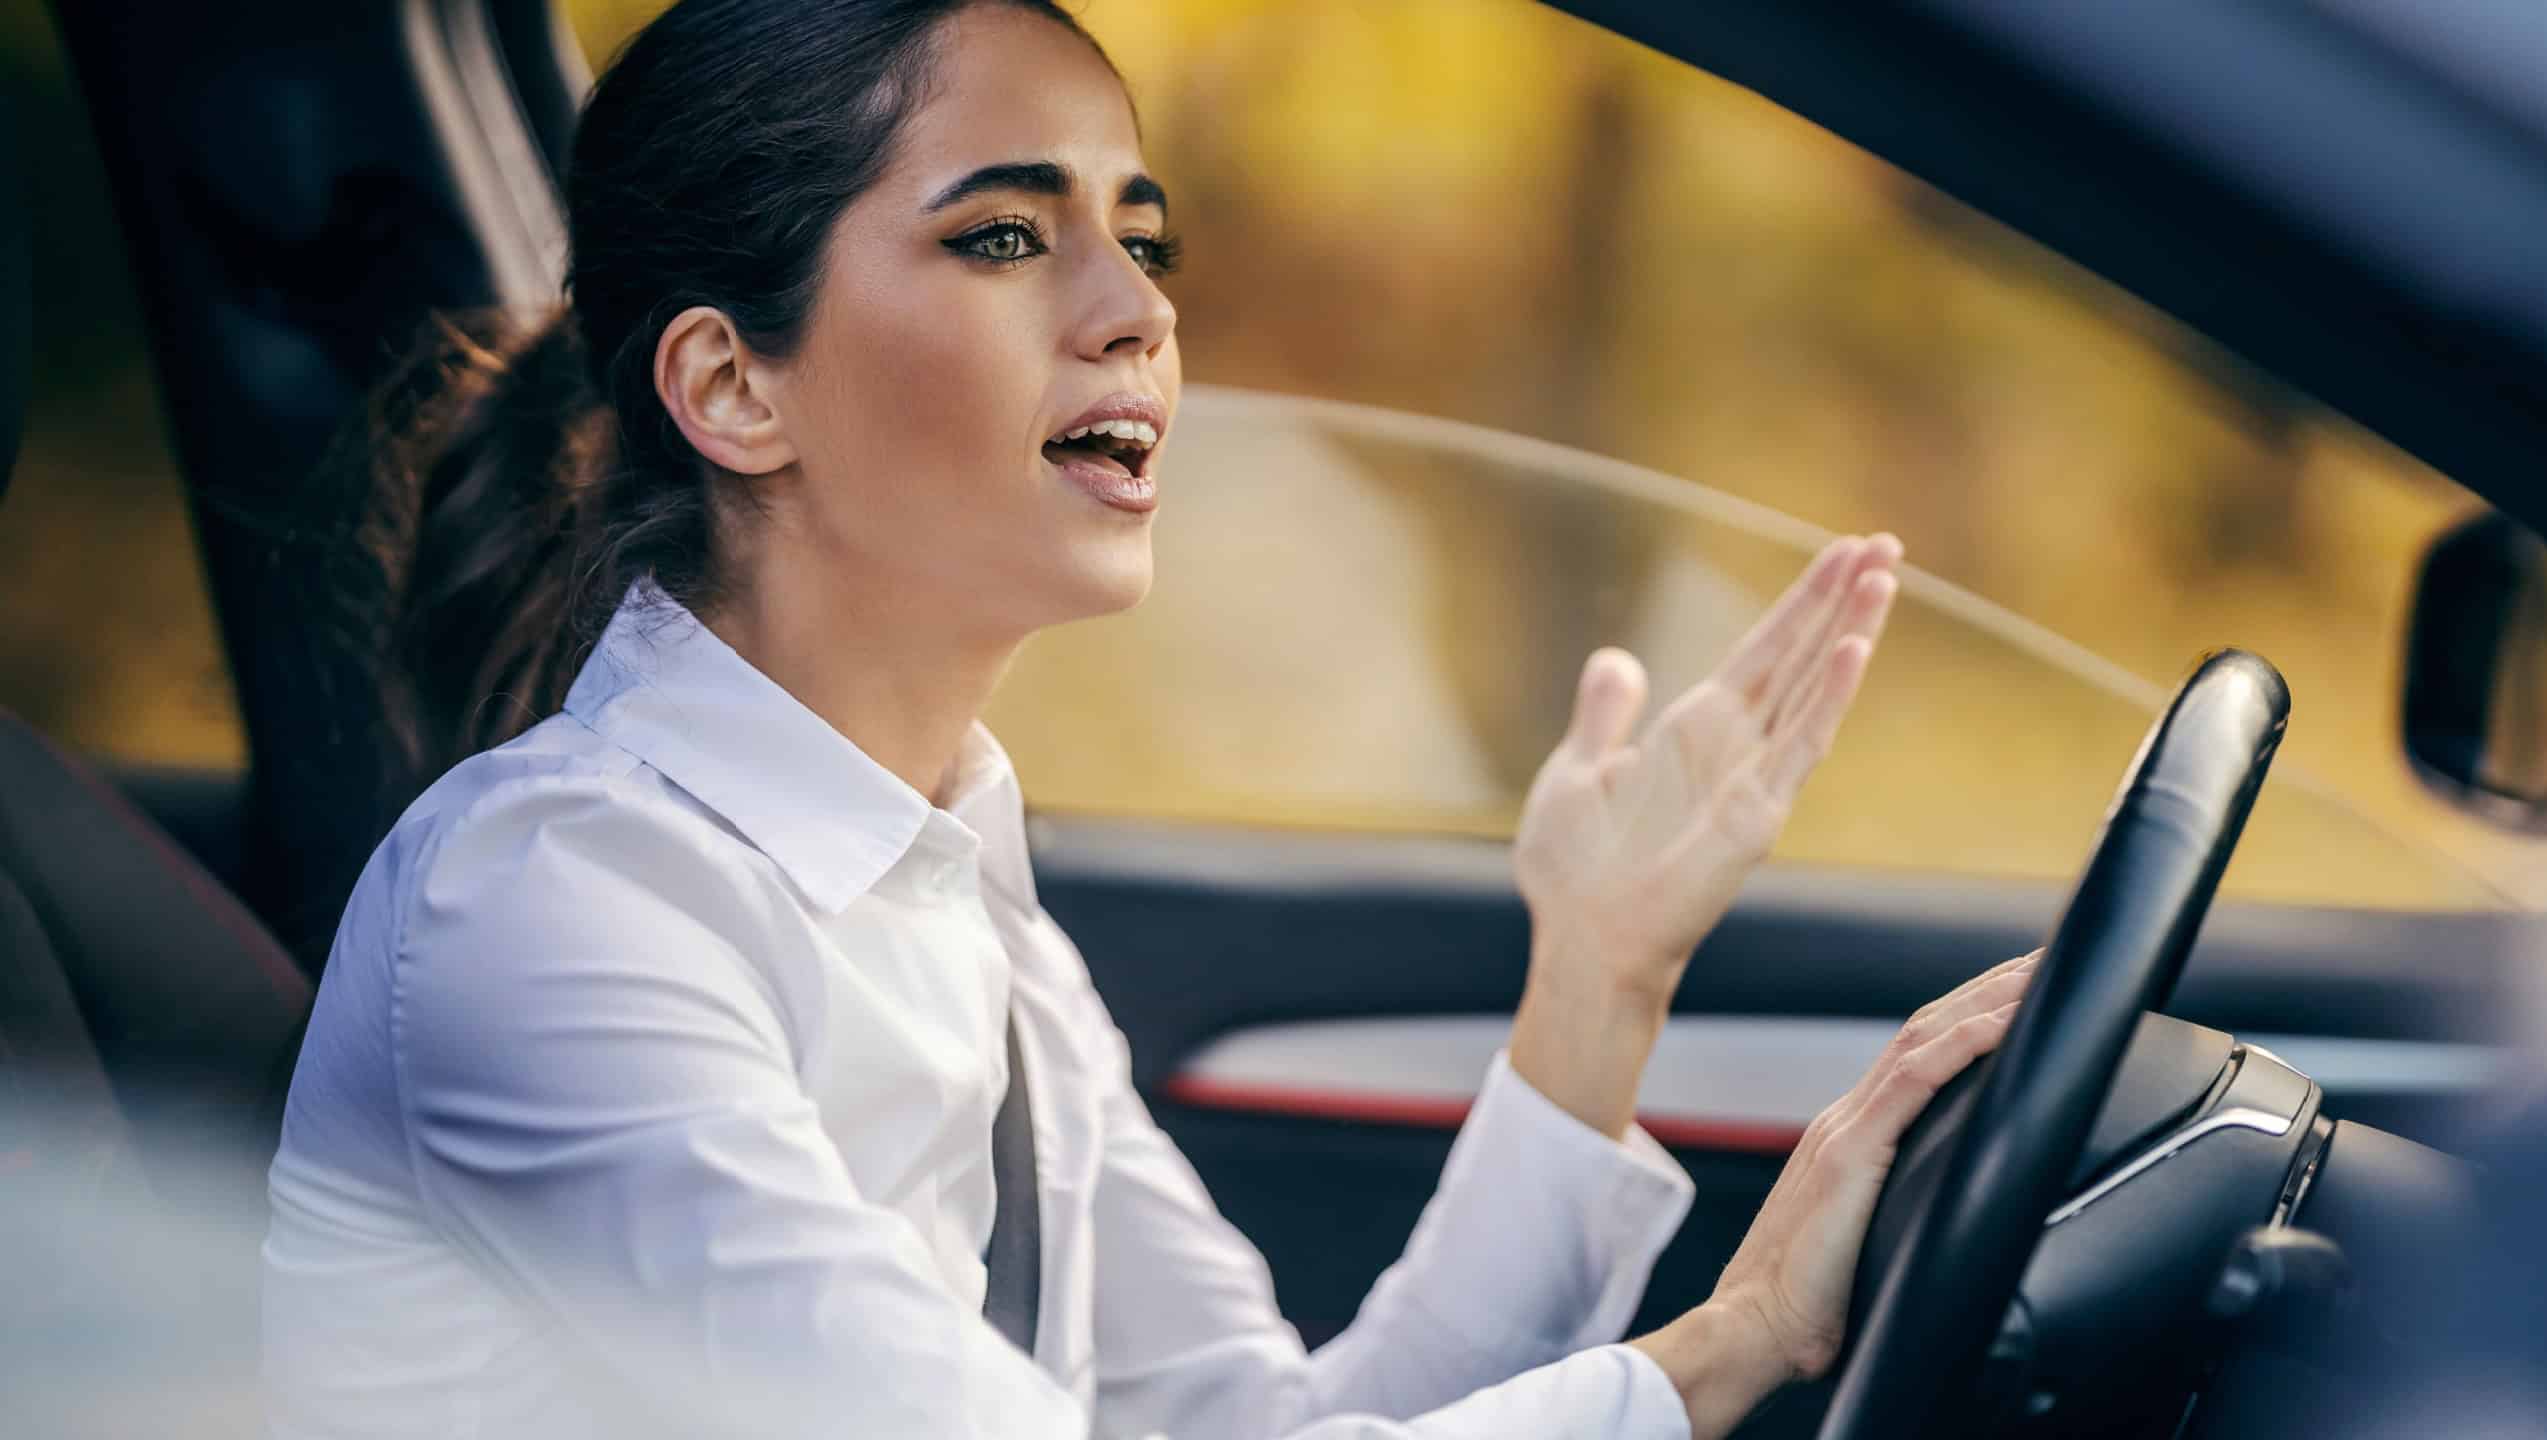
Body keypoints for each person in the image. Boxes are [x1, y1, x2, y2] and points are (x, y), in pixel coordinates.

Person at [260, 2, 2031, 1436]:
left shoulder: (953, 899)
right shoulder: (553, 913)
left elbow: (1281, 1426)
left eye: (1143, 233)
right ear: (734, 386)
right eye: (1011, 235)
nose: (1139, 310)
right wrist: (1735, 1345)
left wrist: (1600, 976)